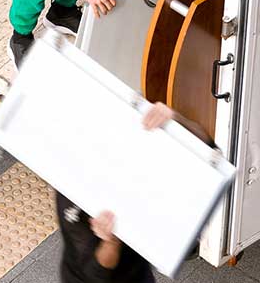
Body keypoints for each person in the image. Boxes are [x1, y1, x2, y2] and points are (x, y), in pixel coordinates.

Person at [57, 102, 217, 283]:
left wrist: (174, 120)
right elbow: (95, 274)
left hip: (136, 272)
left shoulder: (126, 160)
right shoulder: (71, 195)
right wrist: (111, 241)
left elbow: (208, 149)